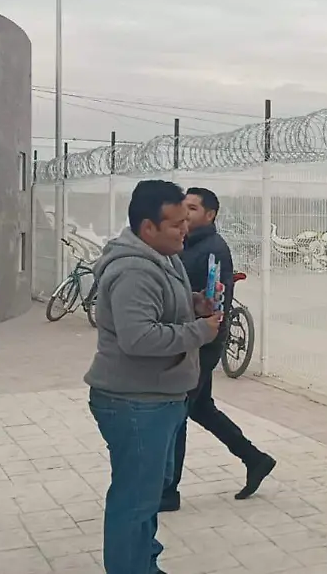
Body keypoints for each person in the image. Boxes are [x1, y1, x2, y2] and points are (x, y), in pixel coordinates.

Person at [84, 179, 221, 574]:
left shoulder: (165, 256)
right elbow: (138, 336)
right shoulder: (133, 270)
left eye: (185, 220)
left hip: (159, 397)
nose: (185, 229)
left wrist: (194, 303)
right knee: (134, 501)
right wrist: (200, 331)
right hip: (134, 402)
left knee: (145, 498)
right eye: (176, 223)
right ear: (148, 228)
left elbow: (161, 310)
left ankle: (144, 564)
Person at [161, 187, 276, 511]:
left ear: (210, 215)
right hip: (192, 338)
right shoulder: (187, 245)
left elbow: (215, 299)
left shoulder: (212, 249)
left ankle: (168, 491)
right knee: (200, 408)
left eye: (193, 208)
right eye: (184, 207)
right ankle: (255, 459)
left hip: (202, 342)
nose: (186, 213)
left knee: (178, 413)